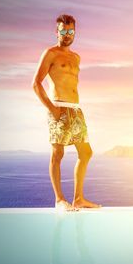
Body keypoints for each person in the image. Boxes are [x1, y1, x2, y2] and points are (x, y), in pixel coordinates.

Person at [32, 14, 102, 211]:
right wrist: (52, 108)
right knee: (58, 152)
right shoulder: (50, 53)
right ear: (57, 31)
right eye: (63, 31)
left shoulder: (76, 57)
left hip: (76, 109)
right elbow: (36, 83)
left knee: (86, 152)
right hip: (58, 107)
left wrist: (74, 109)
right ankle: (59, 200)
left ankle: (78, 198)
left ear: (75, 32)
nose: (67, 35)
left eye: (71, 31)